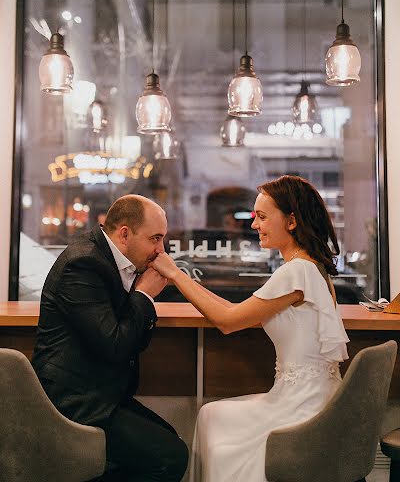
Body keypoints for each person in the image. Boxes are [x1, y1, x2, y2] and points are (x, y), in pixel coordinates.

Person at [150, 175, 349, 482]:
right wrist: (182, 278)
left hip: (302, 406)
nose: (254, 224)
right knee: (212, 416)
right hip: (315, 397)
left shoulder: (296, 272)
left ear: (292, 221)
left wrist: (176, 275)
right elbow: (233, 312)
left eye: (263, 216)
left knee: (215, 424)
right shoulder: (310, 268)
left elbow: (228, 322)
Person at [32, 194, 188, 482]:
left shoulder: (117, 260)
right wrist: (144, 295)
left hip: (103, 392)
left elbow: (133, 340)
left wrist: (142, 297)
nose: (160, 251)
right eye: (155, 239)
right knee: (169, 458)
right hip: (74, 398)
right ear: (125, 234)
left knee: (170, 441)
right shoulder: (83, 264)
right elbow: (116, 345)